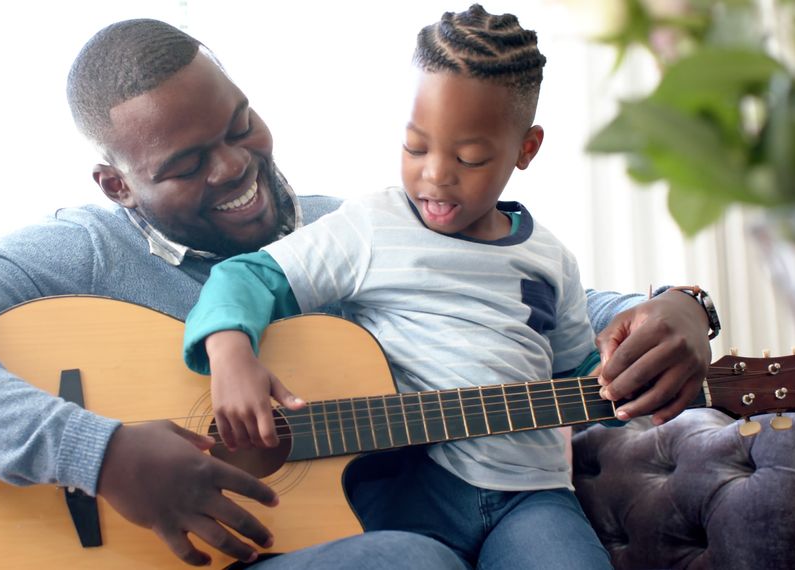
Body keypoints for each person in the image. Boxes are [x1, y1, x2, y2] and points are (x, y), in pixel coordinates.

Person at [0, 14, 715, 569]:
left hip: (354, 525)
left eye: (240, 126)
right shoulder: (82, 252)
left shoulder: (346, 227)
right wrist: (103, 455)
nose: (238, 168)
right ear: (117, 185)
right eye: (188, 163)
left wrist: (679, 305)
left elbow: (532, 307)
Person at [181, 6, 636, 568]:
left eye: (469, 157)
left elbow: (575, 374)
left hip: (532, 499)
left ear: (526, 148)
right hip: (401, 493)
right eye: (415, 147)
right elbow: (247, 276)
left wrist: (625, 370)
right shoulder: (372, 226)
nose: (435, 175)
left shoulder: (550, 258)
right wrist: (230, 352)